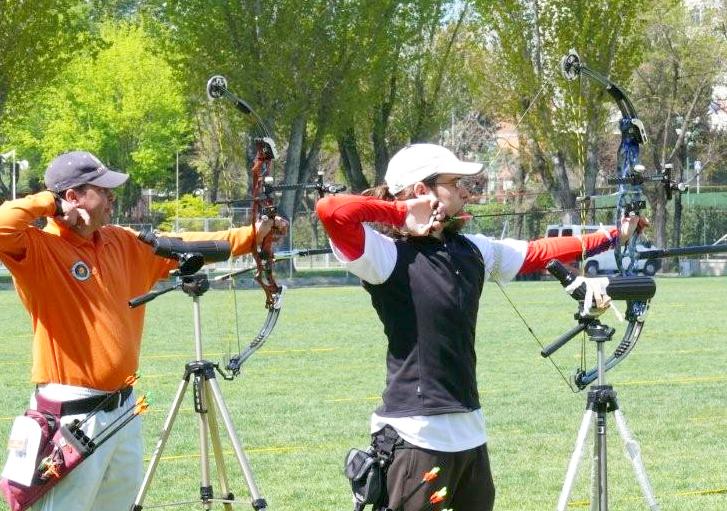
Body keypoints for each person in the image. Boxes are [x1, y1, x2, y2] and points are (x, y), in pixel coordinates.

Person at [316, 143, 643, 511]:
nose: (465, 191)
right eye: (454, 183)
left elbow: (539, 251)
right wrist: (401, 211)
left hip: (470, 433)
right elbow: (331, 210)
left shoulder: (470, 248)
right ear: (421, 190)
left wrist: (614, 236)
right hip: (416, 436)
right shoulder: (385, 255)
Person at [0, 151, 286, 511]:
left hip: (123, 411)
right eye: (102, 190)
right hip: (70, 415)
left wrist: (252, 236)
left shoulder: (120, 241)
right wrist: (49, 203)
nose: (111, 198)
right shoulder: (38, 249)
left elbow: (185, 244)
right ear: (72, 197)